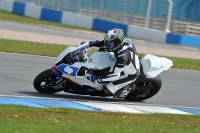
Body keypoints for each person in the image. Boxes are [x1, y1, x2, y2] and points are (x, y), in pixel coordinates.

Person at [87, 28, 140, 97]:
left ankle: (125, 90)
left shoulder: (122, 56)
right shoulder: (122, 43)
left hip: (129, 75)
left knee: (107, 91)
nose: (108, 45)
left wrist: (98, 78)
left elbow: (115, 75)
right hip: (124, 64)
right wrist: (90, 44)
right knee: (102, 51)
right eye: (108, 42)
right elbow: (102, 43)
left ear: (117, 43)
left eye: (110, 43)